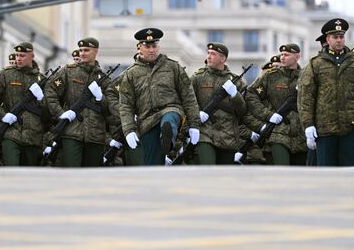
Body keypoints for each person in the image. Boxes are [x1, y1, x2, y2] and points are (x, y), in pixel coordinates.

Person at [298, 19, 354, 166]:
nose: (339, 40)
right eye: (335, 37)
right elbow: (307, 97)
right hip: (324, 128)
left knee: (349, 170)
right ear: (327, 39)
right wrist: (308, 124)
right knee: (326, 171)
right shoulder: (316, 64)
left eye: (341, 36)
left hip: (350, 127)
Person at [119, 28, 200, 165]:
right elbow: (125, 104)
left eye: (154, 46)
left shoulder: (173, 67)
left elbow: (188, 97)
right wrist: (129, 130)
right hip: (146, 121)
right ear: (139, 48)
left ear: (159, 47)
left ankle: (168, 141)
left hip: (171, 110)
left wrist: (194, 124)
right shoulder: (130, 74)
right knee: (152, 165)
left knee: (168, 121)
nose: (152, 50)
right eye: (147, 46)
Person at [45, 37, 112, 167]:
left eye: (86, 50)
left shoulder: (104, 79)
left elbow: (111, 108)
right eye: (81, 50)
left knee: (93, 176)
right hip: (72, 132)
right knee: (71, 172)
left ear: (96, 51)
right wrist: (60, 113)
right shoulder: (68, 71)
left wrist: (100, 98)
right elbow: (50, 90)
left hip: (95, 135)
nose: (82, 53)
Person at [0, 42, 46, 166]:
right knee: (11, 169)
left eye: (22, 55)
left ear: (32, 56)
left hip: (34, 136)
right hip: (11, 133)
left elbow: (50, 110)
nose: (18, 58)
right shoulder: (5, 75)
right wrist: (2, 115)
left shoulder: (41, 80)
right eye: (17, 55)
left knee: (30, 175)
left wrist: (41, 99)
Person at [247, 43, 304, 165]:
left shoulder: (305, 76)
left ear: (297, 57)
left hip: (301, 133)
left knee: (300, 174)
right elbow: (251, 95)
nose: (282, 57)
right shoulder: (270, 76)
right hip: (278, 132)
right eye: (282, 54)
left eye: (286, 55)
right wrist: (268, 115)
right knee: (282, 170)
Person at [191, 43, 247, 164]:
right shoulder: (197, 78)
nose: (209, 56)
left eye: (213, 54)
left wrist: (234, 94)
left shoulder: (236, 81)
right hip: (205, 132)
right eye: (208, 53)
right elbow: (188, 102)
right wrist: (197, 114)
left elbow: (243, 111)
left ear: (223, 59)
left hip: (228, 137)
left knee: (225, 178)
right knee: (208, 170)